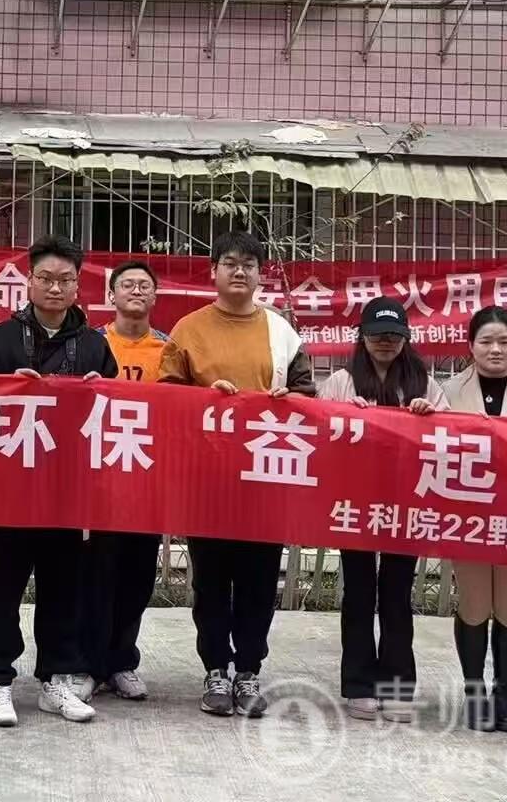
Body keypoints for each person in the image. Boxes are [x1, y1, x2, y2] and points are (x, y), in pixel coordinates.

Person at [158, 230, 315, 719]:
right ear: (213, 271)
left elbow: (307, 395)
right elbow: (166, 398)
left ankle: (248, 670)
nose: (240, 271)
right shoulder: (188, 330)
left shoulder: (281, 332)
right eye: (230, 262)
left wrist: (289, 400)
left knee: (259, 581)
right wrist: (204, 399)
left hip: (266, 476)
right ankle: (215, 670)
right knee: (211, 581)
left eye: (249, 264)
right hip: (208, 479)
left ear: (260, 273)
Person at [0, 235, 117, 726]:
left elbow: (113, 415)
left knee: (63, 587)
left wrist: (101, 392)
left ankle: (56, 678)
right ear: (29, 281)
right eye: (46, 278)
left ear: (78, 287)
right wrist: (8, 388)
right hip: (13, 487)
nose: (55, 288)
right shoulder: (0, 340)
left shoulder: (96, 346)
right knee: (4, 588)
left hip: (67, 487)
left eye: (65, 280)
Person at [317, 298, 444, 724]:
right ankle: (358, 684)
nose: (385, 343)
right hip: (354, 502)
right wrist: (342, 415)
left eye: (393, 335)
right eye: (376, 335)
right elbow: (318, 432)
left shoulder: (426, 384)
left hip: (407, 503)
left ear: (405, 338)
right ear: (362, 337)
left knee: (396, 595)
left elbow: (449, 437)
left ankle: (397, 685)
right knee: (358, 593)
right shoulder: (340, 382)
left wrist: (428, 416)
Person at [438, 306, 507, 733]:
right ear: (470, 345)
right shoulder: (448, 391)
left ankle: (503, 695)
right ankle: (474, 693)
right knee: (473, 603)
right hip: (466, 514)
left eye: (504, 341)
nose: (496, 349)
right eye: (486, 341)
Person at [82, 260, 168, 701]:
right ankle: (90, 665)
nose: (136, 291)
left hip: (149, 480)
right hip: (100, 480)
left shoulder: (169, 349)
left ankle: (121, 662)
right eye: (127, 285)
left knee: (137, 576)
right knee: (96, 575)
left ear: (155, 296)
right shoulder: (92, 343)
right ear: (111, 295)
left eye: (144, 285)